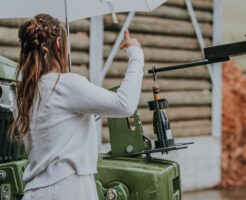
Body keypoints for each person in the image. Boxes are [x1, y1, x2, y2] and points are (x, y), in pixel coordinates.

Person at [9, 13, 144, 200]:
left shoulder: (22, 94)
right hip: (69, 190)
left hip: (34, 191)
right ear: (58, 45)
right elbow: (125, 104)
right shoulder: (66, 85)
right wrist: (136, 55)